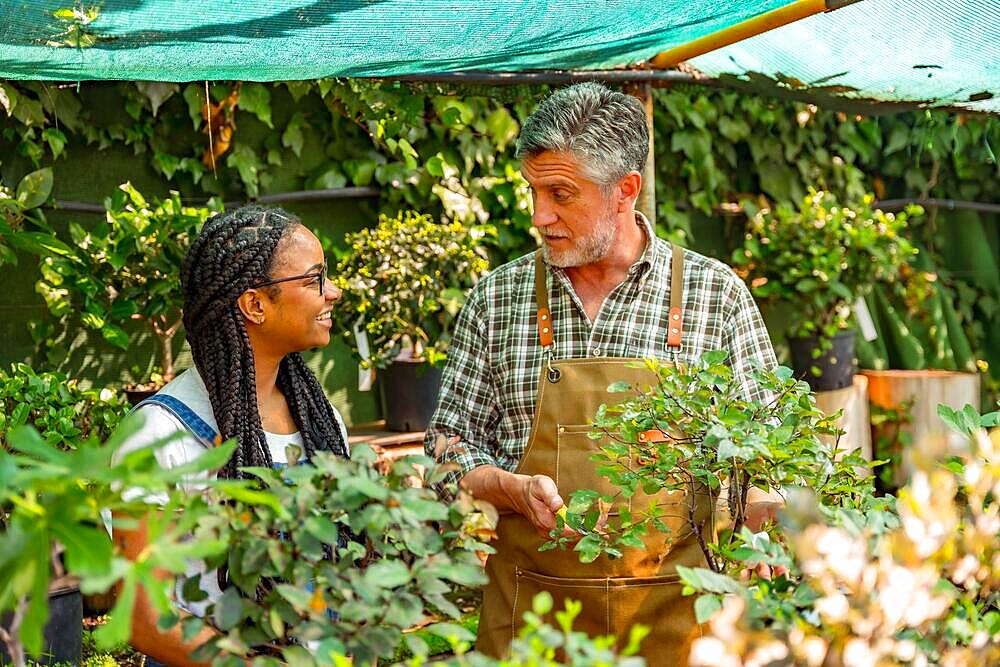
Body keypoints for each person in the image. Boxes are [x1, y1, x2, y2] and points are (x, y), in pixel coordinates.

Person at [424, 83, 779, 664]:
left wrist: (762, 501)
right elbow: (444, 455)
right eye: (533, 192)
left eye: (561, 193)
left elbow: (768, 453)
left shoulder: (717, 296)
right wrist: (510, 489)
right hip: (532, 624)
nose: (540, 215)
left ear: (625, 191)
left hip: (681, 623)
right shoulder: (497, 300)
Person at [113, 205, 350, 667]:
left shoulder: (322, 421)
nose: (334, 292)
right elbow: (145, 617)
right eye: (313, 279)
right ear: (254, 304)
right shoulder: (158, 436)